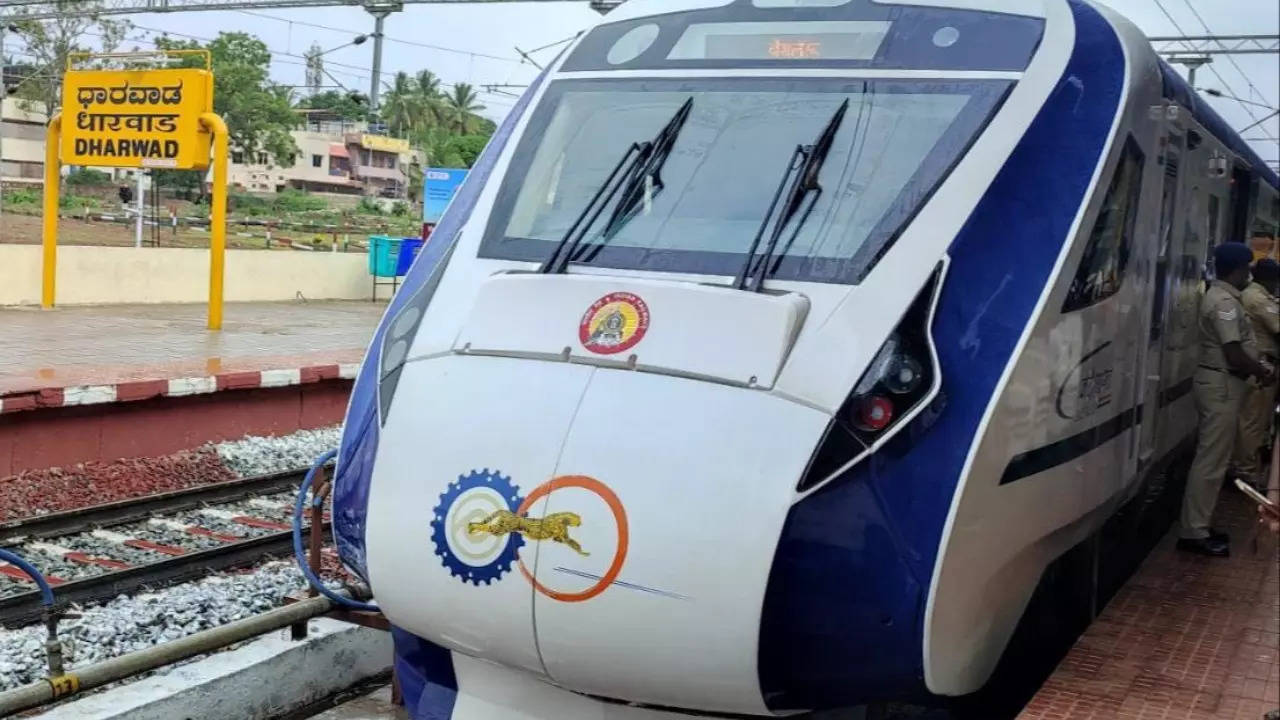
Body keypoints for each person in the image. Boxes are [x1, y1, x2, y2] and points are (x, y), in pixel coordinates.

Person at [1178, 242, 1275, 557]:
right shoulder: (1224, 302)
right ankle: (1193, 532)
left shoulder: (1226, 298)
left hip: (1224, 384)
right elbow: (1233, 352)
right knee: (1211, 461)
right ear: (1235, 269)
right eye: (1247, 268)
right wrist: (1261, 371)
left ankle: (1199, 524)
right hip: (1221, 385)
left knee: (1215, 459)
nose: (1249, 273)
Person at [1231, 258, 1280, 488]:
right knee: (1253, 421)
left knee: (1252, 419)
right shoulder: (1259, 299)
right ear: (1270, 279)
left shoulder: (1251, 294)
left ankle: (1243, 466)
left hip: (1257, 366)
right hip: (1261, 368)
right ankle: (1244, 471)